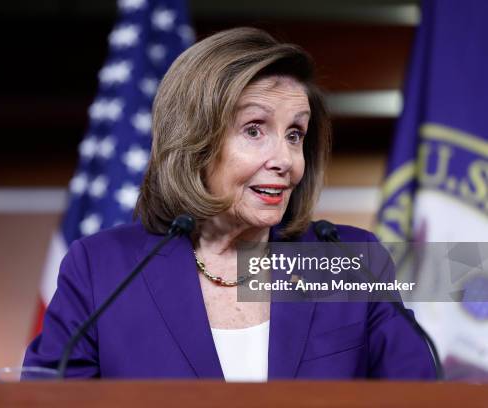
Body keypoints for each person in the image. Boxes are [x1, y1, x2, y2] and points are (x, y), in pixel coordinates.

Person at [23, 27, 436, 380]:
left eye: (295, 134)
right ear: (194, 143)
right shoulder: (102, 268)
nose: (285, 161)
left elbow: (423, 397)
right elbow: (43, 399)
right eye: (254, 130)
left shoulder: (346, 260)